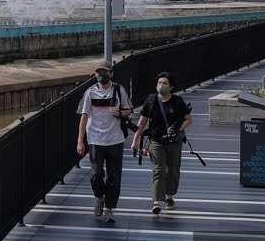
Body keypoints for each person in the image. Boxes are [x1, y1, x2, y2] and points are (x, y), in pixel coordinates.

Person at [75, 65, 132, 223]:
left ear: (111, 74)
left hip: (115, 140)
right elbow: (84, 116)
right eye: (98, 72)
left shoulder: (119, 90)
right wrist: (80, 140)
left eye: (104, 72)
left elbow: (129, 110)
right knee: (96, 173)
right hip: (95, 140)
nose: (101, 75)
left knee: (114, 177)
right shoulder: (90, 92)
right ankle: (99, 196)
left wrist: (119, 113)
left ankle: (109, 209)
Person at [132, 72, 193, 214]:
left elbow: (188, 119)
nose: (161, 85)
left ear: (171, 87)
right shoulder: (151, 100)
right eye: (159, 83)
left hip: (174, 142)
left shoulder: (177, 101)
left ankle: (169, 195)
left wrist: (177, 129)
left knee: (172, 170)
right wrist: (135, 140)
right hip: (156, 141)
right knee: (159, 170)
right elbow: (142, 123)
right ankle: (156, 201)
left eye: (165, 83)